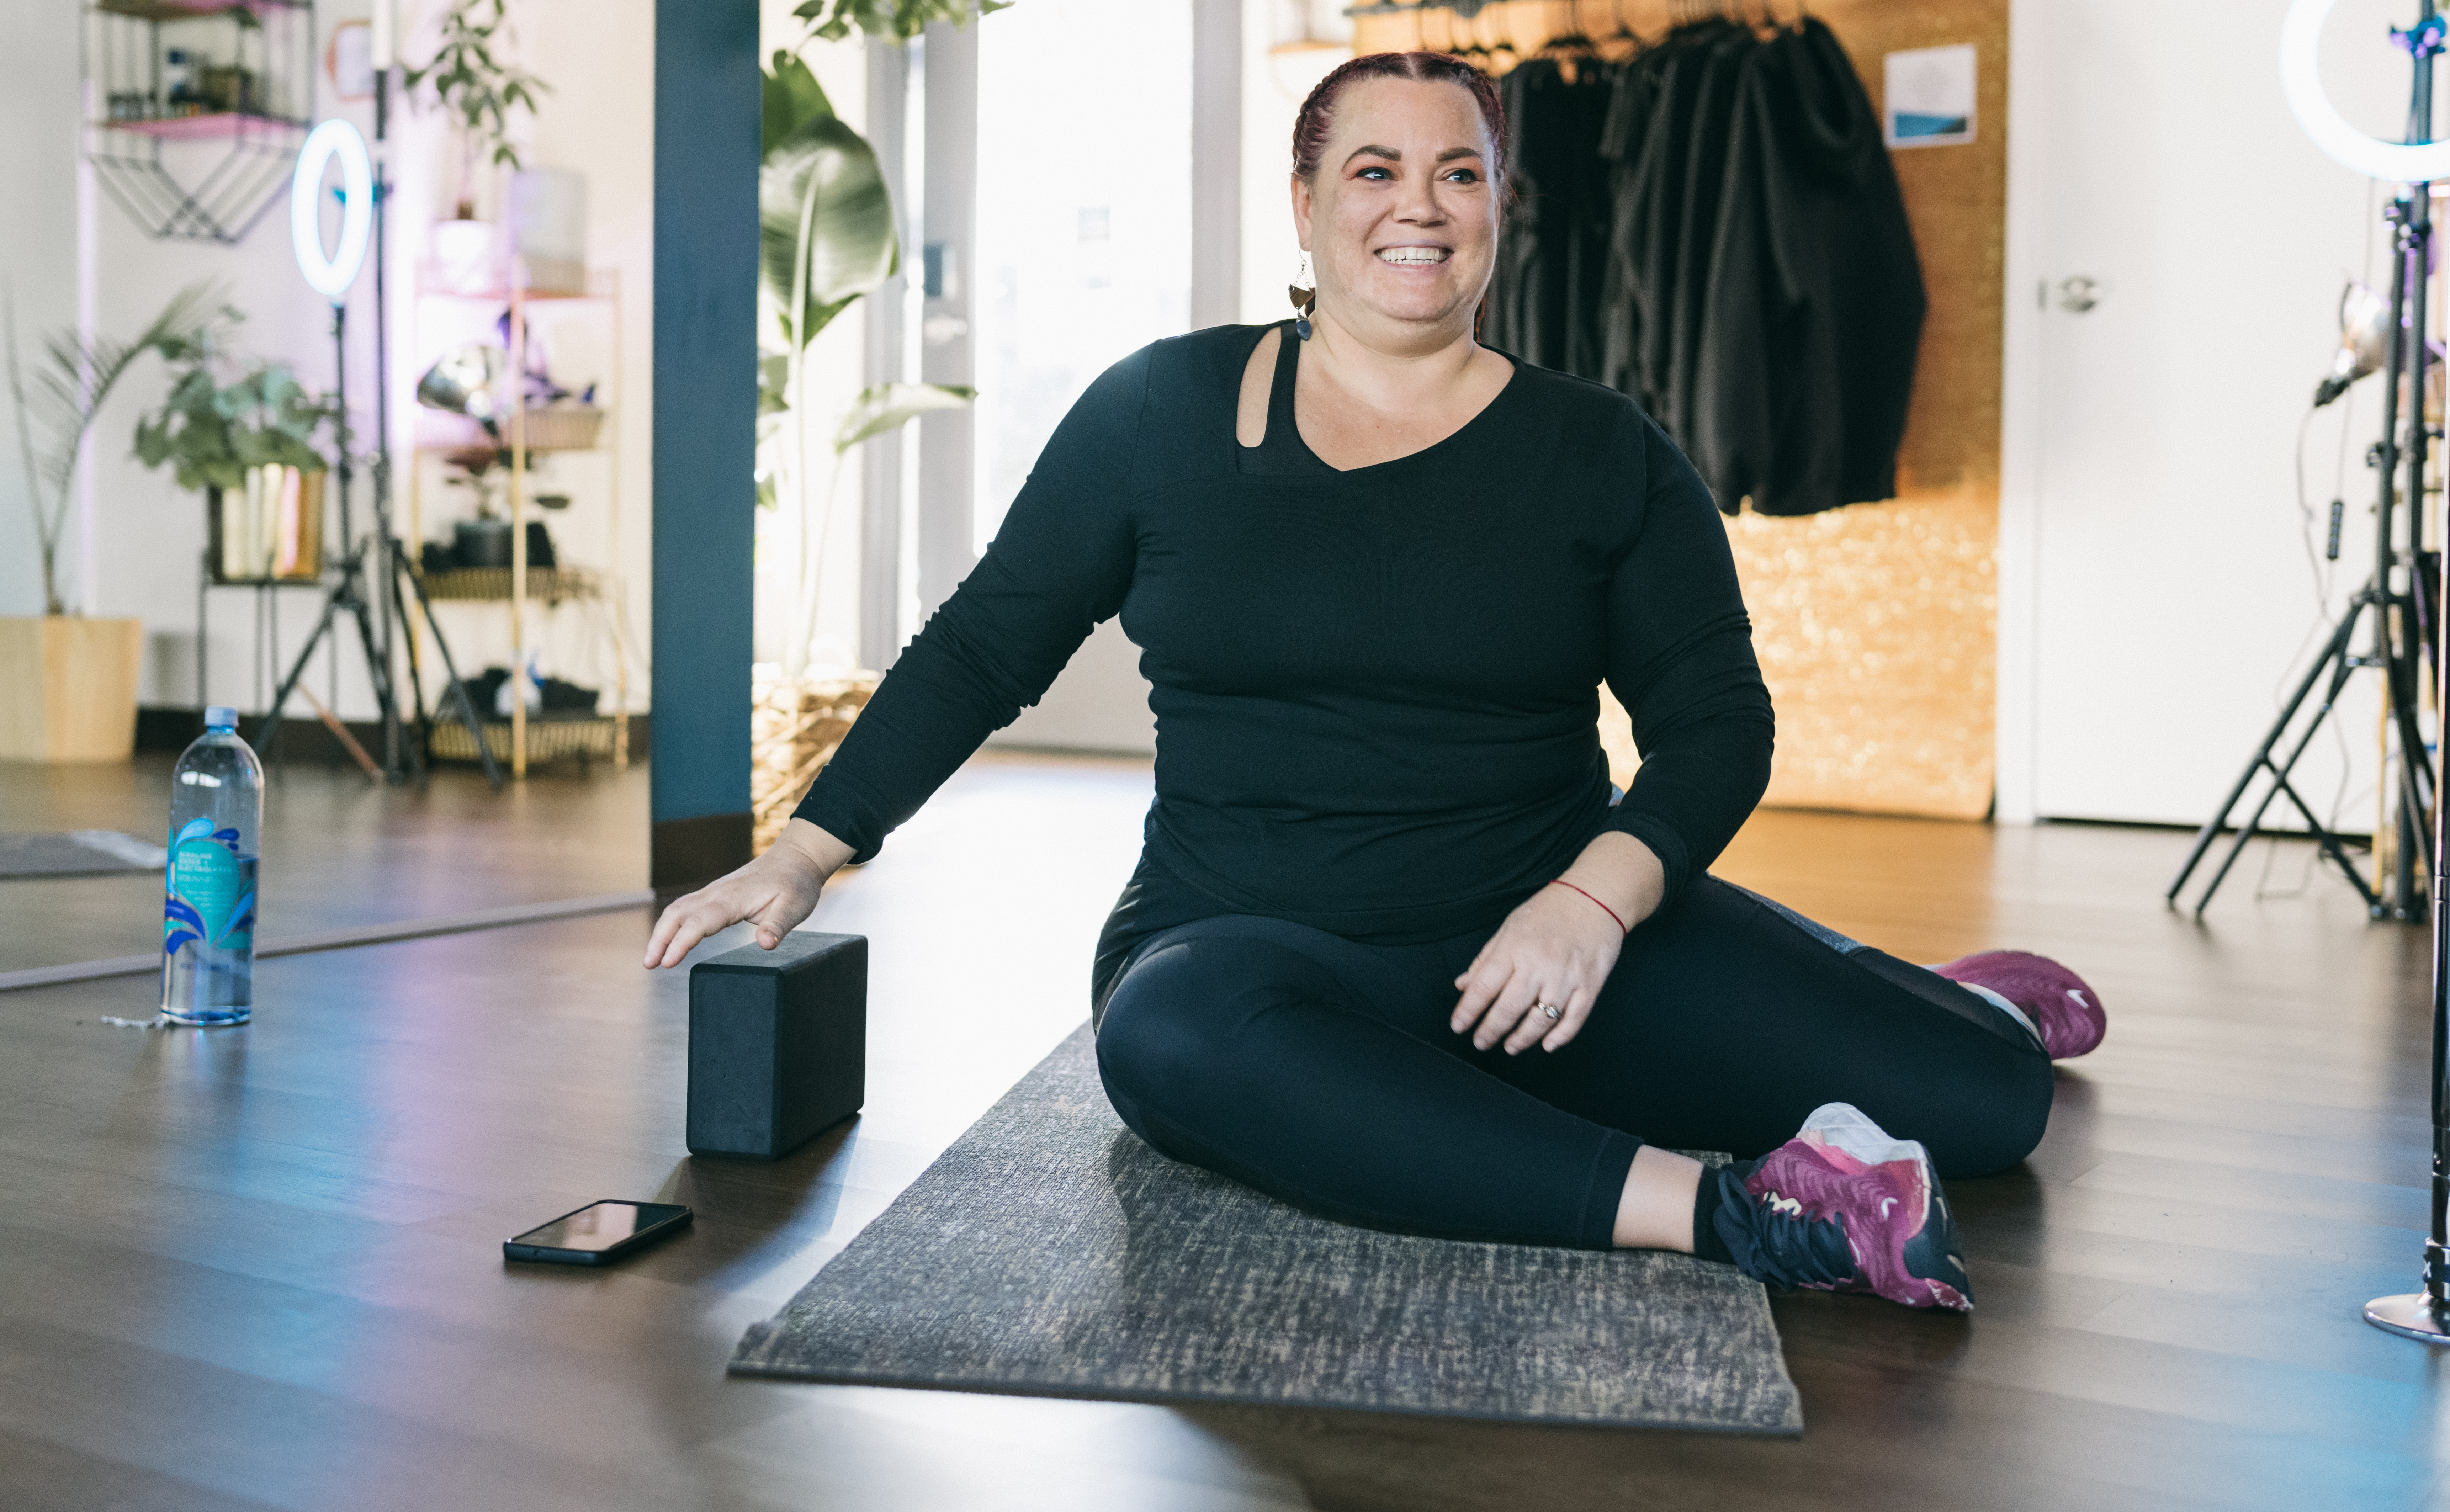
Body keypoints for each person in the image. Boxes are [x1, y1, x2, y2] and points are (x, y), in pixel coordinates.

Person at [646, 51, 2104, 1313]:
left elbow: (1717, 726)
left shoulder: (1602, 452)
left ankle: (1937, 1002)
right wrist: (808, 849)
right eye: (1373, 168)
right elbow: (983, 643)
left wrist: (1592, 903)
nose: (1419, 205)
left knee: (1990, 1105)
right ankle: (1745, 1216)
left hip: (1550, 944)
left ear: (1496, 207)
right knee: (1165, 1036)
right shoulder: (1159, 410)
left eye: (1459, 174)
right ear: (1305, 202)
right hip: (1254, 946)